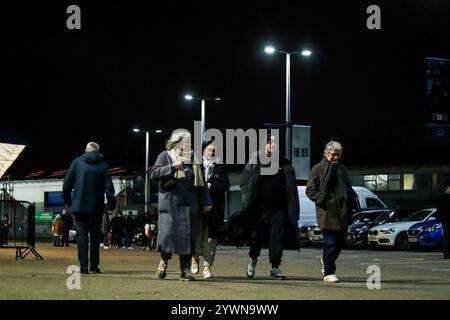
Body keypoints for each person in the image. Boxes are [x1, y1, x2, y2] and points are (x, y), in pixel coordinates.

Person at [149, 129, 212, 281]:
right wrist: (172, 168)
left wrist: (207, 202)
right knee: (168, 237)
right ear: (177, 142)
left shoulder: (194, 159)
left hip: (189, 206)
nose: (189, 144)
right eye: (186, 142)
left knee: (188, 239)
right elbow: (153, 174)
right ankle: (163, 262)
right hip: (171, 205)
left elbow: (201, 184)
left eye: (190, 142)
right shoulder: (165, 156)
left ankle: (185, 270)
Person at [239, 135, 300, 280]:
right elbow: (244, 182)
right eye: (269, 142)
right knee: (256, 239)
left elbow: (291, 188)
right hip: (258, 209)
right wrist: (247, 199)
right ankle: (252, 260)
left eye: (275, 143)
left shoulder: (284, 163)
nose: (272, 145)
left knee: (276, 239)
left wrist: (292, 208)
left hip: (278, 210)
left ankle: (275, 268)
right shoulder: (255, 161)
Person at [306, 140, 358, 283]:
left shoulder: (342, 169)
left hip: (343, 212)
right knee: (330, 243)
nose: (335, 157)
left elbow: (347, 187)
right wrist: (321, 200)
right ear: (326, 153)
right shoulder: (318, 169)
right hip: (327, 213)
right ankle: (329, 272)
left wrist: (353, 200)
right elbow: (310, 190)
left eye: (338, 155)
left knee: (340, 243)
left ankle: (325, 259)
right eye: (333, 154)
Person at [62, 142, 116, 274]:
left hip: (79, 206)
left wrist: (69, 201)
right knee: (95, 236)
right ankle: (94, 266)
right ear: (98, 151)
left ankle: (84, 266)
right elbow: (109, 188)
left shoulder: (76, 162)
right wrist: (111, 205)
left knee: (82, 236)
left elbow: (66, 185)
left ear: (86, 151)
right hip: (96, 206)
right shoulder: (104, 165)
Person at [191, 139, 230, 279]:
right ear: (203, 151)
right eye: (209, 149)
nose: (212, 152)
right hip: (198, 207)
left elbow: (225, 185)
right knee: (197, 236)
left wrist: (210, 186)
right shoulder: (196, 166)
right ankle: (194, 259)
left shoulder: (221, 167)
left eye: (214, 150)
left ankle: (207, 266)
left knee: (211, 239)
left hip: (215, 209)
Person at [436, 185, 450, 259]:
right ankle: (447, 253)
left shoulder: (441, 198)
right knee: (447, 237)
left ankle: (446, 253)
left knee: (446, 237)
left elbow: (439, 210)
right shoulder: (445, 198)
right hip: (447, 220)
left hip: (445, 220)